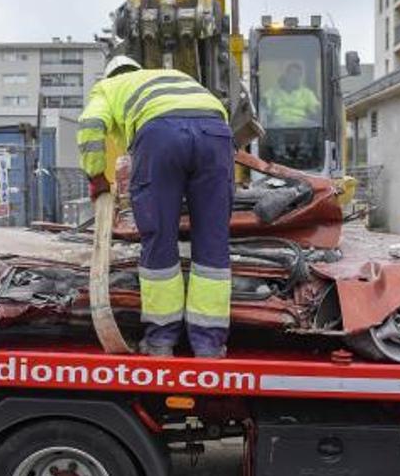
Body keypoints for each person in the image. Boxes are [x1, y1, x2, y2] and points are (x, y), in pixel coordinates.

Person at [77, 55, 233, 358]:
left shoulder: (108, 88)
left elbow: (90, 124)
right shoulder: (169, 77)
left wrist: (96, 176)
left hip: (160, 135)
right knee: (213, 240)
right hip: (216, 132)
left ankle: (161, 340)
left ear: (109, 75)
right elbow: (215, 116)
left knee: (159, 238)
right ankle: (209, 344)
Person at [263, 62, 320, 128]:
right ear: (286, 75)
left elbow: (316, 110)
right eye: (292, 74)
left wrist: (317, 111)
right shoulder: (272, 93)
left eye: (298, 75)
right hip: (278, 126)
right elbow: (263, 107)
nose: (295, 77)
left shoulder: (307, 93)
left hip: (302, 126)